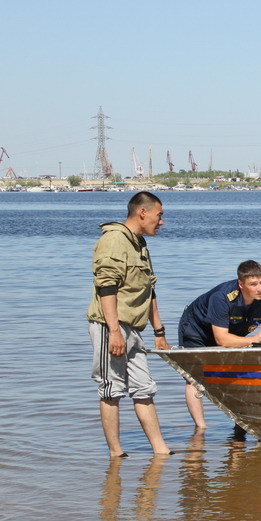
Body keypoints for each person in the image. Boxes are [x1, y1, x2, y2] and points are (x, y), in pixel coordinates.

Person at [86, 191, 174, 458]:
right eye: (159, 216)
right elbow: (106, 286)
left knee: (144, 388)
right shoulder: (114, 240)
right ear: (143, 212)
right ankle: (116, 454)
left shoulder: (140, 244)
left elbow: (150, 291)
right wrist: (114, 331)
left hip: (134, 329)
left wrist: (159, 332)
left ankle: (161, 451)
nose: (162, 222)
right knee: (111, 388)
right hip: (109, 325)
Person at [177, 259, 261, 427]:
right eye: (253, 284)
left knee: (239, 370)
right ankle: (201, 428)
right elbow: (221, 339)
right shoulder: (222, 298)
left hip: (232, 330)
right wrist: (253, 340)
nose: (260, 288)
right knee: (194, 376)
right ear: (241, 284)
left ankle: (241, 423)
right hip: (197, 329)